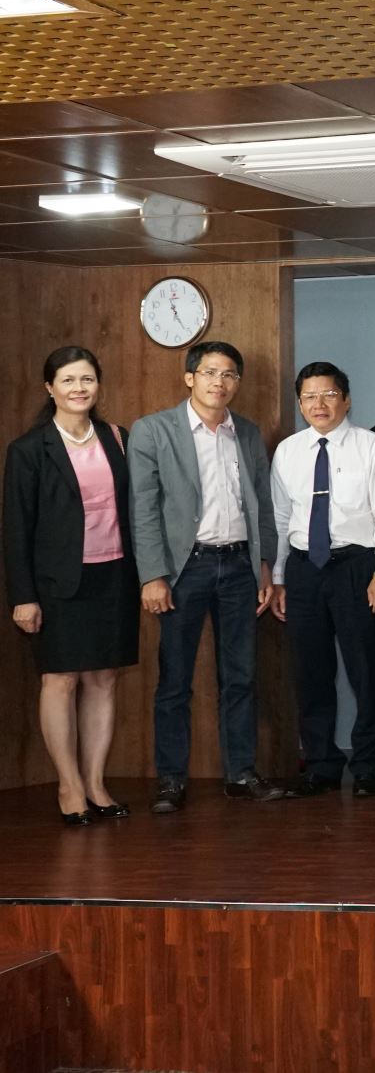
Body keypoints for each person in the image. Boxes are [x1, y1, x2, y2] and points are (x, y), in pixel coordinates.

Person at [130, 340, 286, 814]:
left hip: (240, 566)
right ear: (190, 377)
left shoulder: (247, 433)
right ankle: (171, 780)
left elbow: (261, 505)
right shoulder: (153, 431)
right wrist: (153, 575)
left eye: (230, 375)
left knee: (239, 676)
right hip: (184, 569)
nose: (220, 382)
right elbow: (143, 509)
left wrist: (263, 564)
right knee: (175, 679)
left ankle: (240, 774)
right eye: (211, 372)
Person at [5, 347, 137, 825]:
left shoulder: (117, 438)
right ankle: (69, 785)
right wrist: (23, 595)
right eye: (68, 380)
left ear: (98, 385)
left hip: (114, 574)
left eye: (87, 379)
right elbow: (17, 529)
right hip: (58, 584)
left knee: (103, 679)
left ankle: (97, 782)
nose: (79, 388)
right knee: (59, 681)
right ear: (50, 388)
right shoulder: (28, 449)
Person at [269, 362, 375, 798]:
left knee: (366, 670)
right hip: (305, 568)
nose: (318, 404)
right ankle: (322, 763)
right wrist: (281, 577)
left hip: (357, 567)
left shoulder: (372, 446)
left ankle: (366, 766)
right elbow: (282, 518)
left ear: (346, 399)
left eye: (327, 394)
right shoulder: (288, 451)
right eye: (309, 396)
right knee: (311, 672)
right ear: (300, 403)